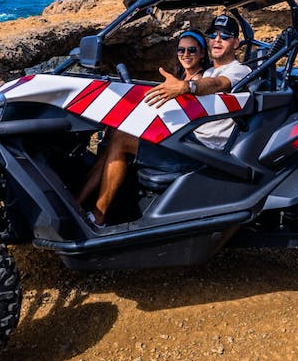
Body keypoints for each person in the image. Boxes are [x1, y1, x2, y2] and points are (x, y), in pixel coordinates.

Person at [78, 30, 208, 226]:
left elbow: (205, 90)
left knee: (121, 139)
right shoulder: (177, 79)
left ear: (202, 54)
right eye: (181, 50)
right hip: (170, 136)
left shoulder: (201, 81)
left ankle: (99, 216)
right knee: (115, 132)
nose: (186, 54)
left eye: (192, 50)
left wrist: (186, 87)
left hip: (184, 146)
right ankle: (78, 202)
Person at [144, 13, 251, 150]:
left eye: (224, 36)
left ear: (236, 43)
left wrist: (186, 86)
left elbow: (217, 84)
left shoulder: (239, 70)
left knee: (122, 137)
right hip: (190, 133)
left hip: (206, 145)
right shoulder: (208, 71)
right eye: (213, 35)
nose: (217, 40)